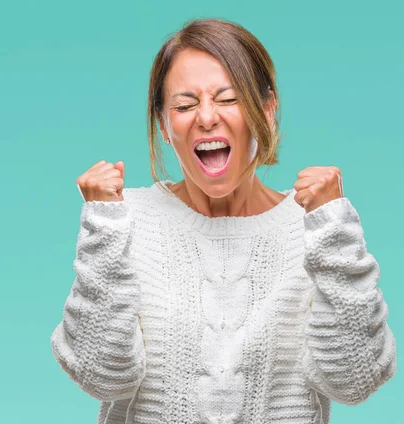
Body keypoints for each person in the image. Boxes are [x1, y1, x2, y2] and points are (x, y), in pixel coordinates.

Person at [50, 18, 396, 424]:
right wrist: (103, 228)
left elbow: (356, 380)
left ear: (266, 110)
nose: (207, 117)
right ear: (164, 124)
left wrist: (335, 232)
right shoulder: (126, 219)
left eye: (228, 99)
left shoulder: (316, 228)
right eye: (184, 105)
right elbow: (100, 377)